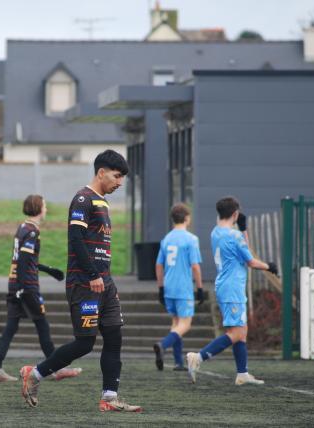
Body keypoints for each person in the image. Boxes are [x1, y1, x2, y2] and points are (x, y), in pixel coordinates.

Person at [19, 150, 142, 413]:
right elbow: (76, 240)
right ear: (101, 172)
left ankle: (109, 398)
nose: (119, 182)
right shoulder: (83, 199)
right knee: (85, 343)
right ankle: (35, 373)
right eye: (117, 176)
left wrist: (103, 277)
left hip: (105, 283)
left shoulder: (103, 202)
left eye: (122, 178)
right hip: (85, 283)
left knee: (114, 336)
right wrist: (93, 275)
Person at [0, 194, 81, 382]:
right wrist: (23, 288)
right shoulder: (32, 231)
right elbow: (24, 260)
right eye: (45, 206)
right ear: (38, 208)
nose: (46, 209)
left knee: (10, 327)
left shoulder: (22, 227)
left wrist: (48, 270)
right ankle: (56, 368)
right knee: (42, 325)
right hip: (26, 286)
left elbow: (25, 258)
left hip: (14, 284)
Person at [186, 196, 277, 385]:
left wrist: (241, 229)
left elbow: (242, 251)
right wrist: (269, 266)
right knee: (236, 333)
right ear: (235, 214)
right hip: (232, 287)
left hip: (225, 285)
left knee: (240, 331)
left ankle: (242, 373)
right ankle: (198, 357)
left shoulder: (215, 232)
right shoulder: (234, 235)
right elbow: (250, 260)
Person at [154, 203, 204, 371]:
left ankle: (178, 362)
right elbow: (195, 266)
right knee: (185, 324)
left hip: (168, 287)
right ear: (187, 218)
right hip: (183, 288)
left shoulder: (166, 239)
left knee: (176, 323)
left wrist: (160, 288)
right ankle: (163, 345)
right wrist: (200, 288)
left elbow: (158, 266)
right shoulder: (191, 239)